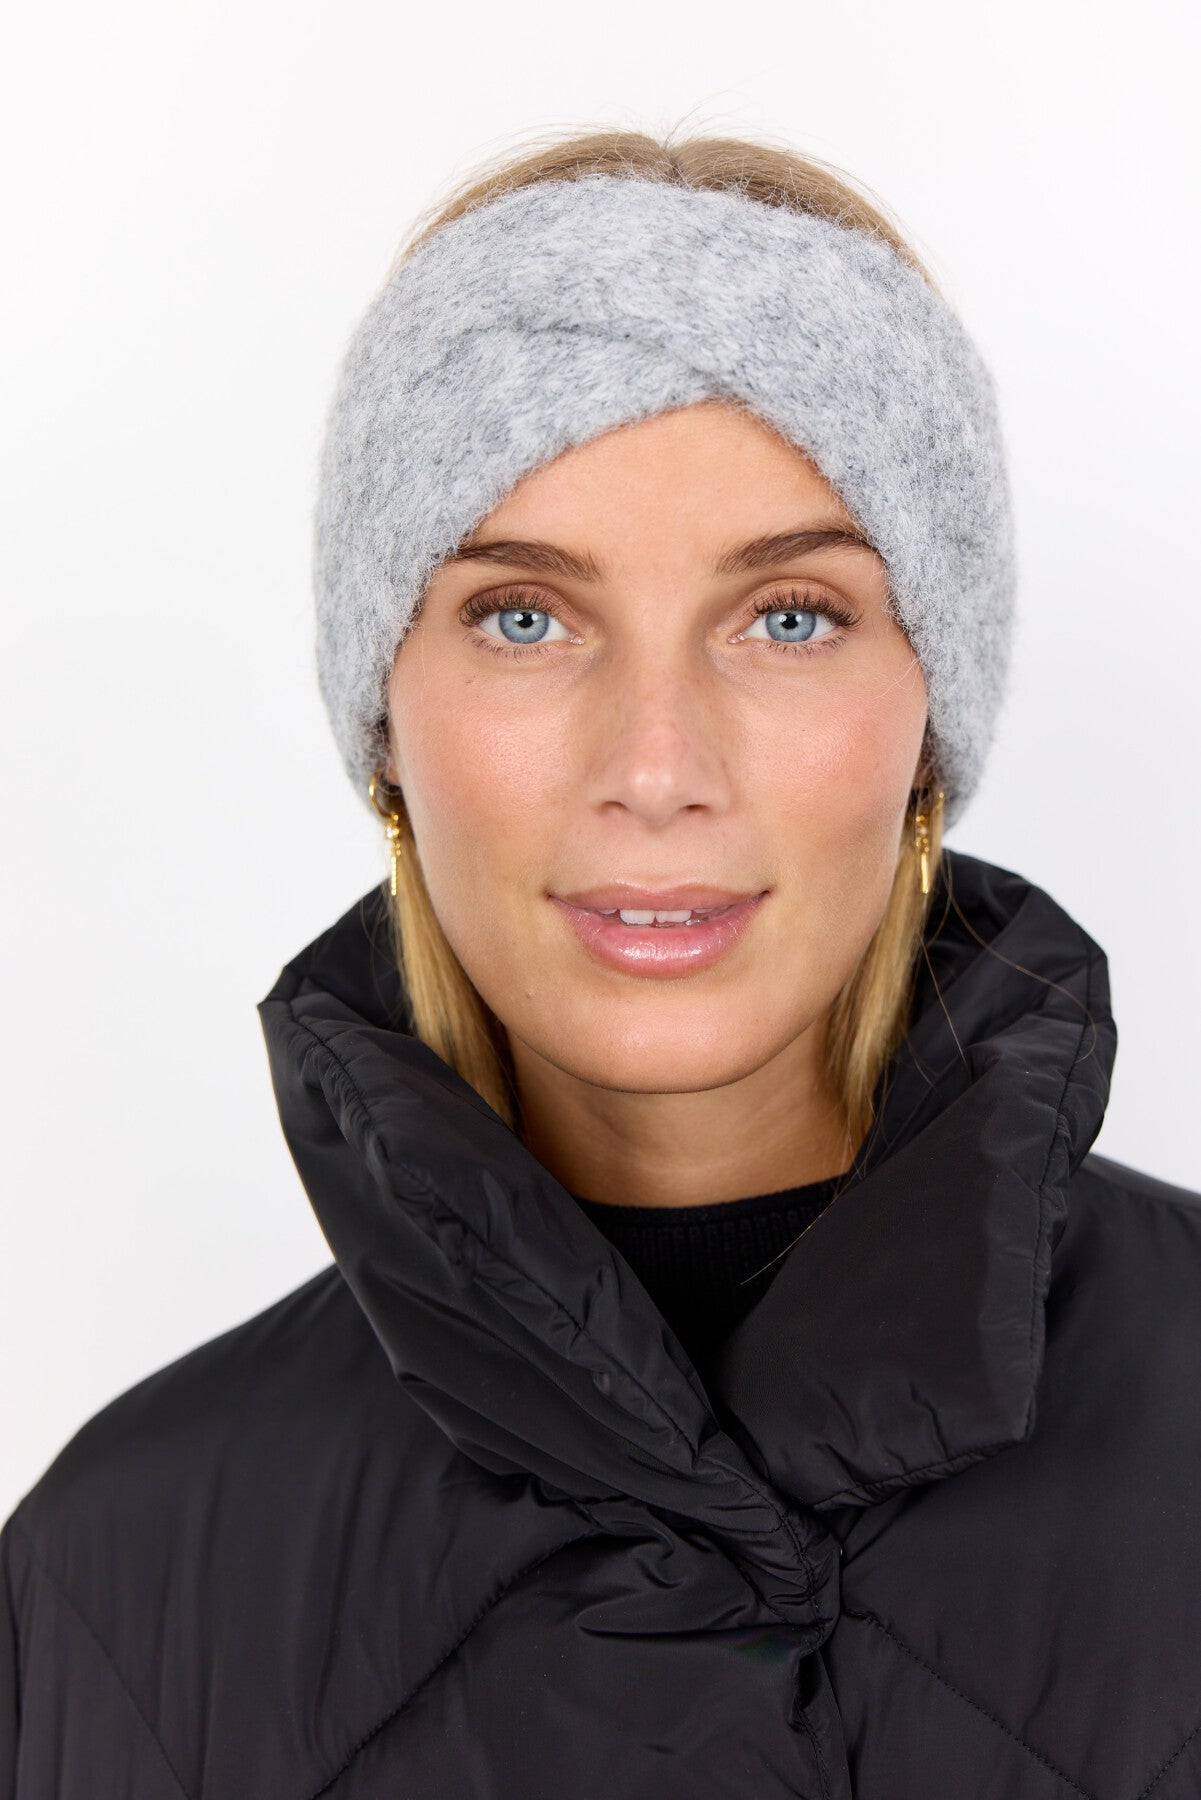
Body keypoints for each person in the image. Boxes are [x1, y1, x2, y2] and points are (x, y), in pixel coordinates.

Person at [3, 126, 1199, 1800]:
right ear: (385, 729)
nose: (653, 767)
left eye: (788, 616)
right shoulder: (115, 1589)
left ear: (930, 720)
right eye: (523, 617)